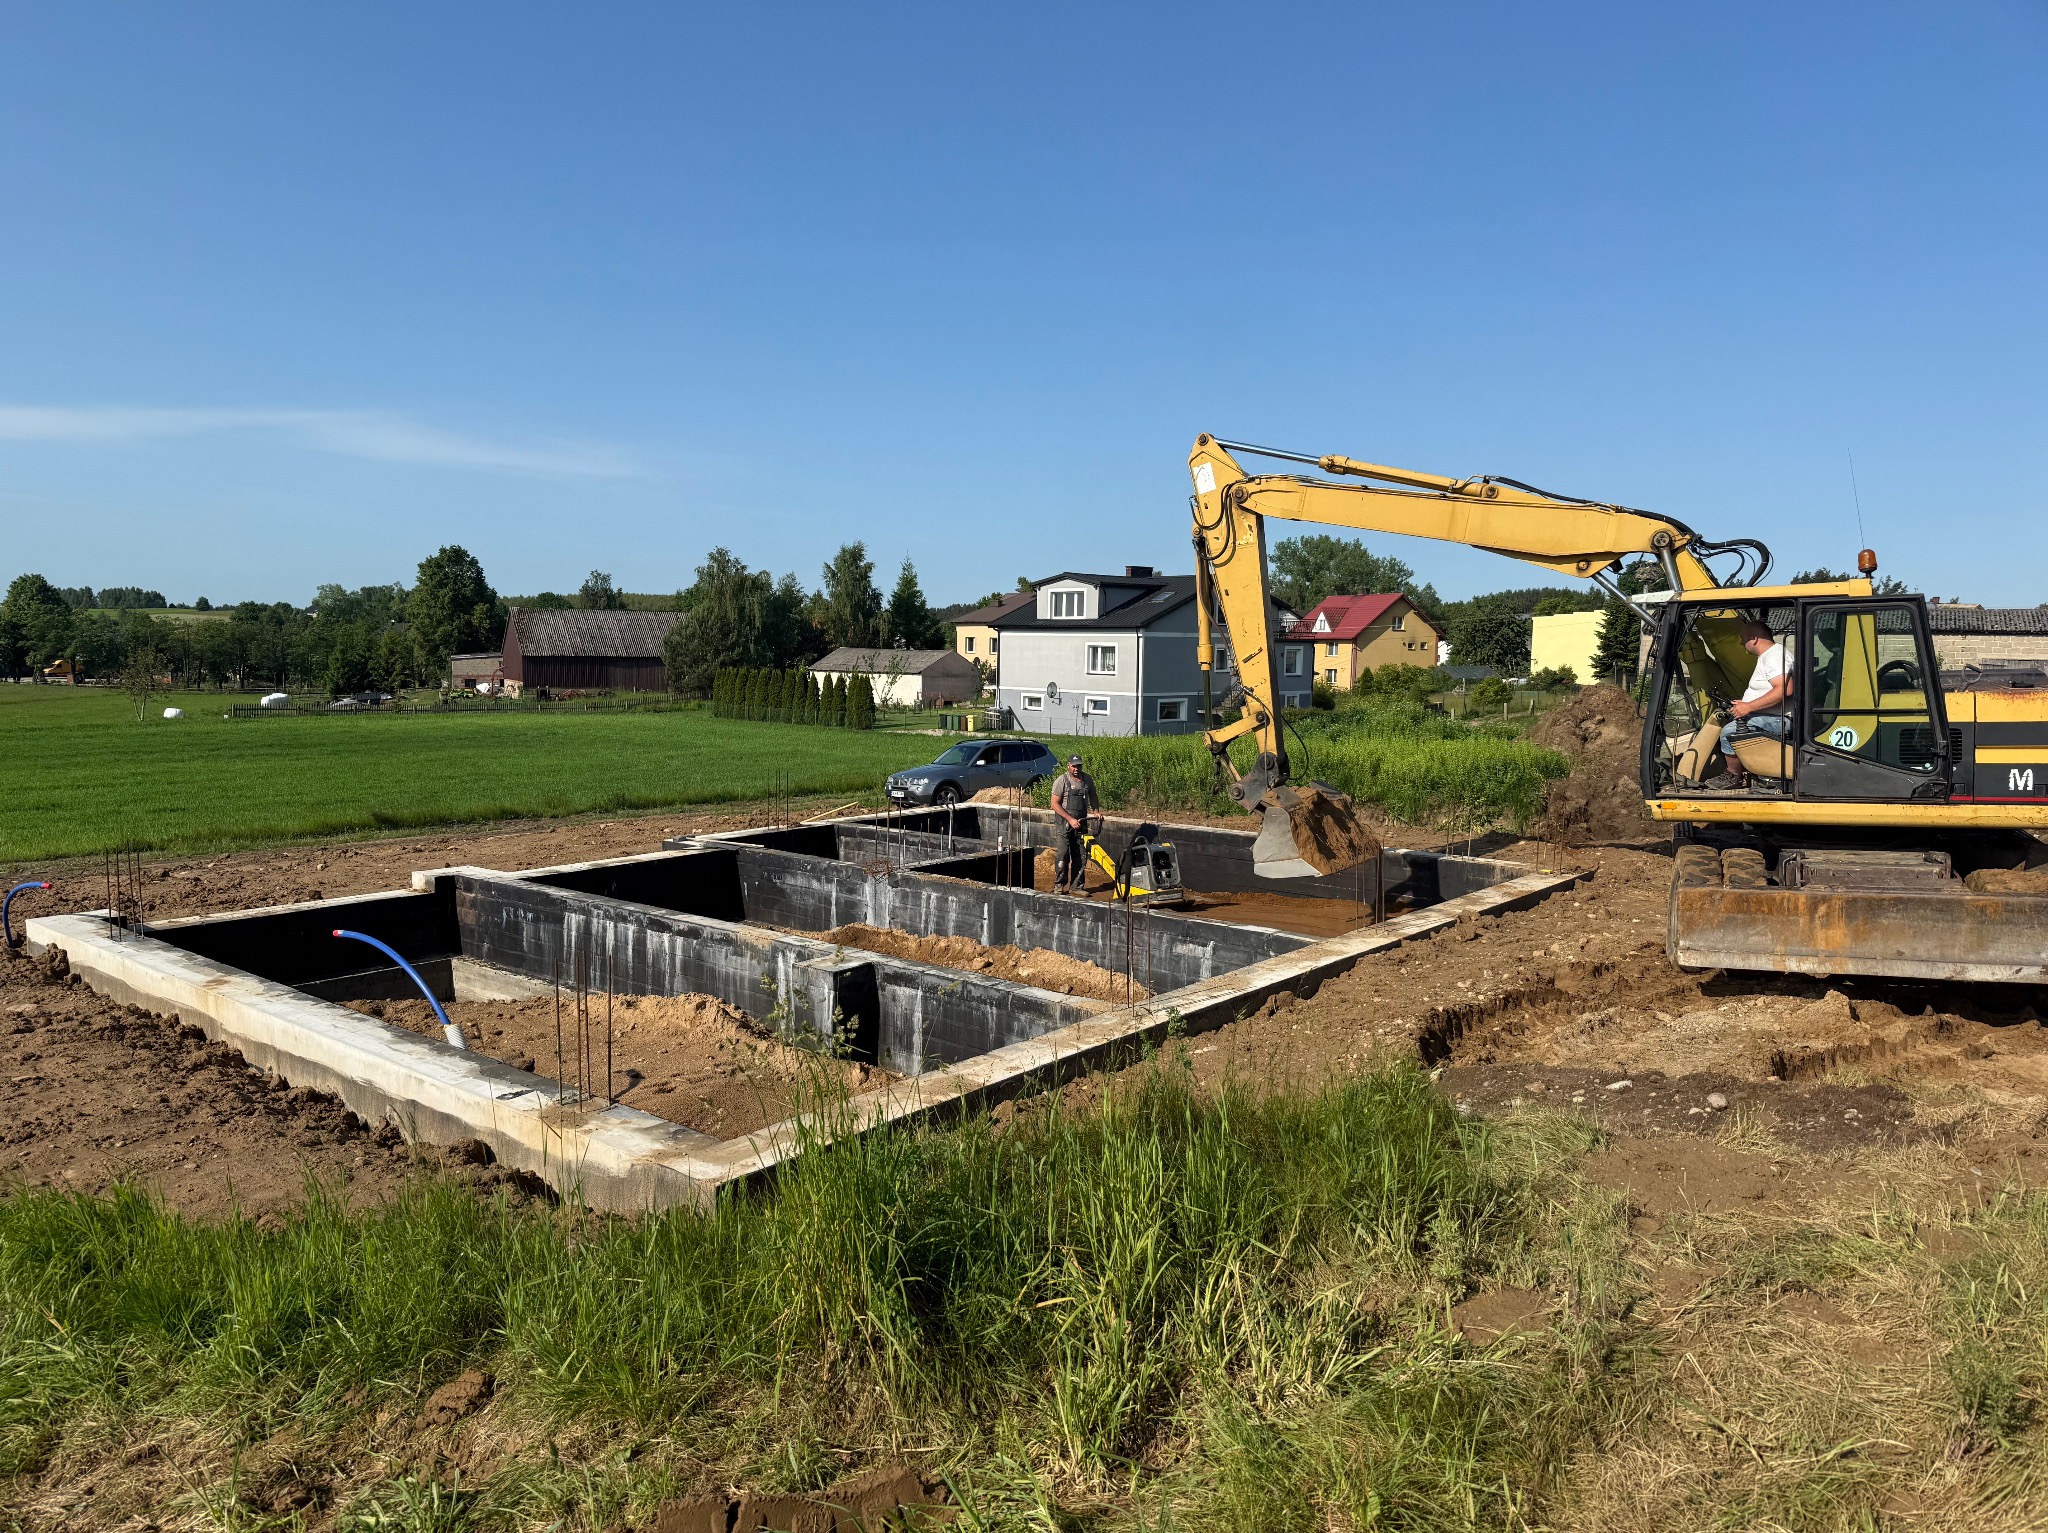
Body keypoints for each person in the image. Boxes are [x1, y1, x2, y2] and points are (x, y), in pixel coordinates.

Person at [1723, 620, 1791, 782]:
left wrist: (1749, 706)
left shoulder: (1774, 655)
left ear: (1753, 639)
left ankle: (1734, 777)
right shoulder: (1769, 656)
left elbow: (1784, 689)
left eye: (1742, 638)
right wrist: (1745, 703)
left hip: (1780, 720)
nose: (1741, 642)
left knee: (1728, 732)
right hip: (1770, 716)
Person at [1050, 754, 1099, 892]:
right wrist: (1070, 819)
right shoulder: (1062, 781)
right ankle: (1059, 885)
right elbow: (1054, 804)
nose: (1077, 768)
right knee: (1063, 854)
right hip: (1064, 824)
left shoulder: (1087, 779)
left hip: (1081, 823)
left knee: (1080, 855)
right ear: (1068, 766)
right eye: (1074, 766)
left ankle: (1077, 886)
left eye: (1079, 766)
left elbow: (1093, 795)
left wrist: (1096, 811)